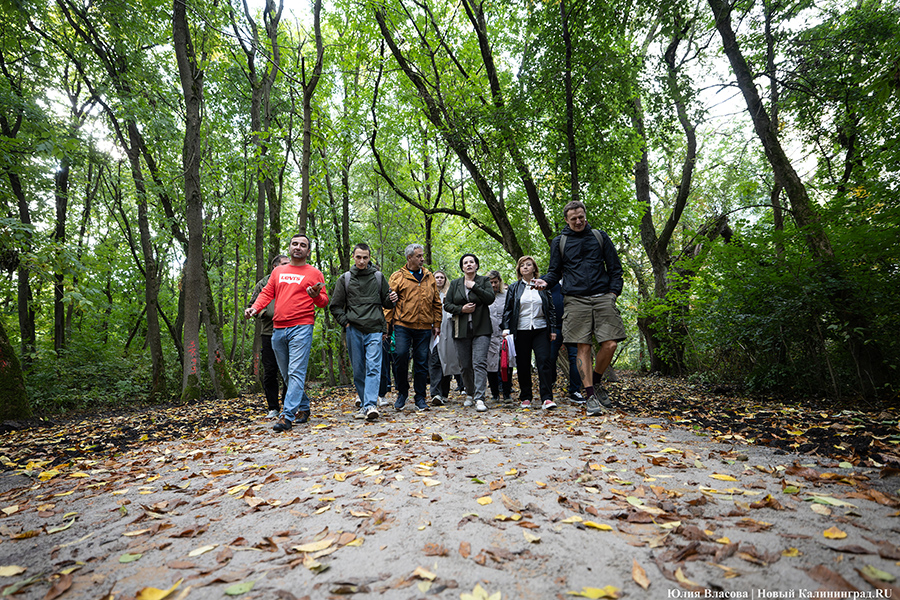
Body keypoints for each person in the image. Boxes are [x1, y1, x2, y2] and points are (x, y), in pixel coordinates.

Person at [533, 200, 626, 416]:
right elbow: (555, 272)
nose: (578, 221)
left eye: (581, 217)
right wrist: (545, 281)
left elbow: (615, 268)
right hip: (575, 299)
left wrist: (613, 294)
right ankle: (590, 395)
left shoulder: (599, 237)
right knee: (583, 347)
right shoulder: (560, 242)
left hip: (603, 296)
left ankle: (597, 381)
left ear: (585, 215)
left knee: (610, 344)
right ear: (566, 220)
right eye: (573, 218)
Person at [245, 233, 329, 431]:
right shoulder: (278, 272)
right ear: (289, 247)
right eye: (294, 244)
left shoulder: (314, 273)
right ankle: (305, 406)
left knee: (295, 372)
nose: (298, 247)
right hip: (278, 328)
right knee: (288, 374)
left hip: (302, 326)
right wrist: (255, 308)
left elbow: (324, 302)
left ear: (308, 251)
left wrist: (316, 296)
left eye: (303, 245)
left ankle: (287, 416)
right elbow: (267, 293)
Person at [329, 243, 396, 421]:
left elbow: (387, 304)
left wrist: (392, 299)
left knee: (373, 367)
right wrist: (346, 323)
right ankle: (366, 404)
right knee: (358, 369)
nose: (362, 261)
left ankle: (370, 405)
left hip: (374, 328)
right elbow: (335, 306)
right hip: (354, 329)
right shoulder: (345, 279)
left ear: (369, 257)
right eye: (358, 257)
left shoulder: (379, 277)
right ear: (353, 256)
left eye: (365, 257)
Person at [385, 243, 443, 412]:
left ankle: (420, 398)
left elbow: (436, 302)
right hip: (402, 324)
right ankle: (402, 393)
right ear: (409, 258)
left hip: (424, 326)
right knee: (400, 356)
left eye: (422, 256)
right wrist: (387, 325)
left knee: (421, 362)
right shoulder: (397, 276)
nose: (422, 259)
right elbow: (388, 302)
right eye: (418, 256)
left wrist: (437, 324)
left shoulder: (429, 276)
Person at [502, 256, 557, 410]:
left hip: (541, 329)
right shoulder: (514, 287)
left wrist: (553, 329)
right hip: (520, 330)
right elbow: (508, 310)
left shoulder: (543, 286)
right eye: (522, 265)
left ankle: (547, 398)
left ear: (534, 268)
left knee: (544, 361)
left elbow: (551, 309)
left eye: (528, 265)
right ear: (519, 270)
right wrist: (506, 329)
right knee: (523, 364)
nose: (525, 267)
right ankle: (526, 397)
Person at [443, 253, 494, 412]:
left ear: (476, 265)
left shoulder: (484, 281)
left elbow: (490, 298)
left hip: (481, 329)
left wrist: (474, 287)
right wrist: (461, 309)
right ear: (462, 267)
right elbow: (447, 305)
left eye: (472, 262)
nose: (469, 264)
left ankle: (480, 398)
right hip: (461, 329)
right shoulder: (455, 283)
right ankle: (470, 393)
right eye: (465, 263)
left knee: (479, 363)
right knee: (465, 365)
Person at [249, 254, 290, 419]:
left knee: (290, 371)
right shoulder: (263, 284)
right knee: (270, 371)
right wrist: (266, 313)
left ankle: (289, 405)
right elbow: (252, 305)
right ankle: (273, 407)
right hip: (269, 332)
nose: (289, 265)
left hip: (291, 331)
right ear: (275, 267)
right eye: (285, 264)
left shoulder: (293, 279)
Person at [550, 282, 584, 404]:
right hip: (554, 327)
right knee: (550, 357)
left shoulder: (576, 280)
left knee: (575, 358)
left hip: (574, 326)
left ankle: (575, 391)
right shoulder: (549, 281)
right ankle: (549, 385)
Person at [429, 270, 458, 406]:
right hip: (433, 333)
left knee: (446, 361)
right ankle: (435, 393)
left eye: (442, 277)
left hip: (448, 331)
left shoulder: (449, 295)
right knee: (435, 361)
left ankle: (444, 393)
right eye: (437, 277)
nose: (439, 280)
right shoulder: (429, 294)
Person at [486, 270, 513, 404]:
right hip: (489, 335)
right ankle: (495, 393)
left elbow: (511, 313)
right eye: (490, 282)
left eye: (495, 282)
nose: (493, 285)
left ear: (500, 282)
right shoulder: (484, 297)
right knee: (491, 365)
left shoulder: (507, 295)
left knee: (505, 364)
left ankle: (507, 393)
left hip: (505, 335)